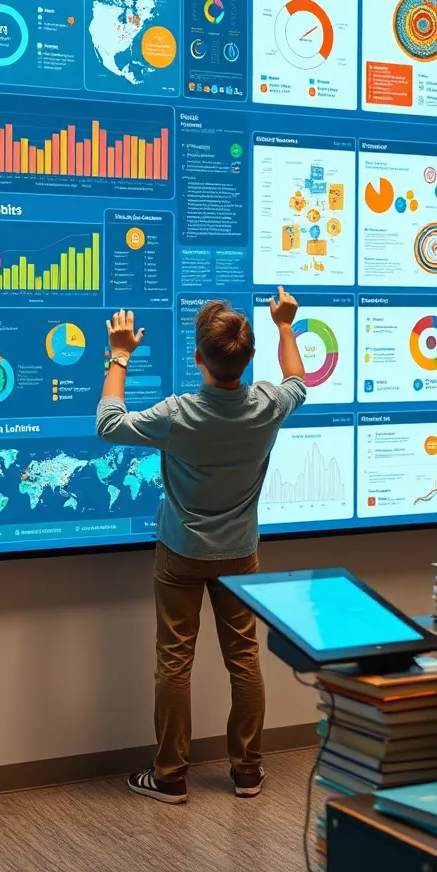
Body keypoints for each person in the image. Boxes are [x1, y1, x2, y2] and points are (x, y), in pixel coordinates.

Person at [96, 288, 307, 805]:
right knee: (244, 660)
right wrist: (285, 325)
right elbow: (298, 381)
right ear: (249, 358)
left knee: (174, 662)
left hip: (181, 553)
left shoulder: (178, 413)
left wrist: (120, 355)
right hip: (239, 554)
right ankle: (248, 772)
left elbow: (108, 424)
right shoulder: (266, 405)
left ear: (198, 359)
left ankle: (170, 777)